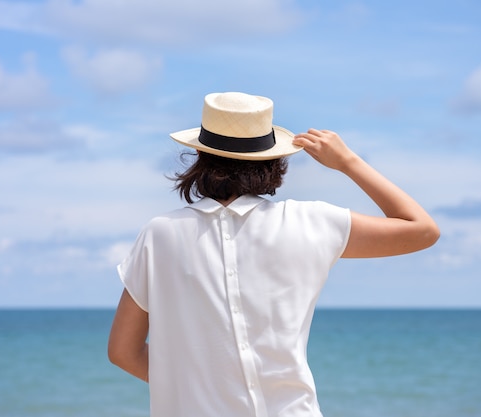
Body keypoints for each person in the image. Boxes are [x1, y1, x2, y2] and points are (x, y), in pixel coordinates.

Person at [108, 92, 440, 417]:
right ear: (273, 160)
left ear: (200, 157)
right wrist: (348, 163)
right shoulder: (311, 222)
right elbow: (422, 230)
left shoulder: (161, 233)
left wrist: (196, 390)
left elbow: (124, 351)